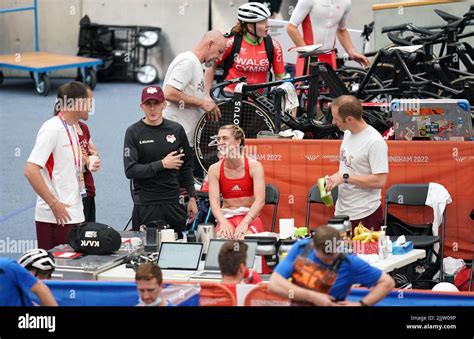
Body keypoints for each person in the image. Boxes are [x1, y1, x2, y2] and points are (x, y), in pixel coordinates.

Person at [25, 81, 92, 250]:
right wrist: (54, 204)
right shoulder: (52, 129)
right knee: (52, 272)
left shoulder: (74, 128)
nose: (91, 106)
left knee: (73, 271)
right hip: (55, 218)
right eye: (87, 101)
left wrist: (87, 162)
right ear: (76, 104)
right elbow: (30, 170)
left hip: (74, 213)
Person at [123, 86, 198, 235]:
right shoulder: (133, 132)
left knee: (175, 251)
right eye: (148, 104)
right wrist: (162, 164)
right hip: (146, 204)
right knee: (146, 253)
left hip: (173, 203)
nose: (152, 109)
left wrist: (192, 198)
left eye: (156, 103)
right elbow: (130, 170)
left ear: (164, 105)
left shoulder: (176, 130)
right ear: (141, 106)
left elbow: (187, 167)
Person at [268, 226, 395, 306]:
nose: (329, 261)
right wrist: (313, 297)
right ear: (313, 246)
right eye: (325, 257)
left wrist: (361, 304)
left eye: (333, 256)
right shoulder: (301, 248)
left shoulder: (350, 263)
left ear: (339, 244)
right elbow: (274, 284)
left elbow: (387, 283)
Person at [163, 30, 227, 178]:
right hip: (176, 139)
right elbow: (169, 93)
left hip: (185, 139)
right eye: (220, 51)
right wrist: (201, 103)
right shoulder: (188, 62)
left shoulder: (196, 64)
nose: (221, 57)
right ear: (210, 44)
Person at [324, 95, 389, 231]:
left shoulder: (374, 142)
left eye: (336, 118)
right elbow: (348, 167)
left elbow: (380, 180)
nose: (333, 122)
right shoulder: (348, 133)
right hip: (342, 212)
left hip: (365, 213)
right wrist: (333, 179)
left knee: (364, 253)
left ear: (349, 119)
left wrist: (344, 178)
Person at [204, 2, 285, 94]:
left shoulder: (274, 45)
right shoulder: (231, 42)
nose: (267, 25)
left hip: (257, 99)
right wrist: (207, 95)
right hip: (231, 94)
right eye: (262, 22)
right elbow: (210, 66)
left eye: (266, 20)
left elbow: (280, 78)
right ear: (250, 26)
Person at [208, 125, 266, 240]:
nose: (220, 142)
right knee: (221, 241)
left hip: (249, 217)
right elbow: (214, 202)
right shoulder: (214, 169)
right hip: (227, 217)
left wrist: (245, 223)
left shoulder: (254, 166)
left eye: (225, 138)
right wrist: (223, 222)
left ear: (238, 141)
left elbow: (260, 200)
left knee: (244, 240)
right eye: (218, 139)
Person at [54, 86, 101, 222]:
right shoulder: (61, 129)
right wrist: (87, 160)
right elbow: (70, 155)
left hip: (87, 190)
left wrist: (94, 157)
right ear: (78, 102)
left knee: (89, 237)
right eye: (89, 101)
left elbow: (94, 153)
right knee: (75, 239)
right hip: (71, 196)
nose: (91, 106)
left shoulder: (83, 128)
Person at [287, 0, 369, 74]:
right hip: (309, 58)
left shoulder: (346, 2)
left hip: (330, 57)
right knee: (305, 90)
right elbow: (291, 28)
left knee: (332, 90)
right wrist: (308, 54)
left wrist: (352, 52)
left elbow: (341, 30)